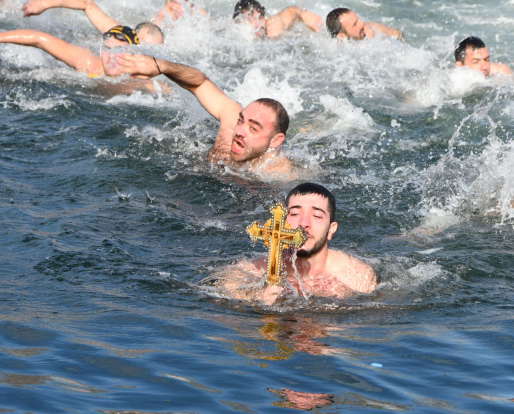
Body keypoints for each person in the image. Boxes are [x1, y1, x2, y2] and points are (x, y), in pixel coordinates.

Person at [117, 53, 292, 173]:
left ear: (275, 140)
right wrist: (161, 66)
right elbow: (200, 83)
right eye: (241, 120)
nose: (239, 131)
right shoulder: (231, 119)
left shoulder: (277, 173)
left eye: (254, 129)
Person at [215, 183, 378, 305]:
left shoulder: (356, 277)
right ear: (282, 222)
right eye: (294, 213)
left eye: (317, 216)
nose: (304, 223)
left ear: (331, 229)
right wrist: (257, 299)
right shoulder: (251, 271)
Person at [0, 25, 145, 78]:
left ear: (133, 54)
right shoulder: (88, 62)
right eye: (107, 49)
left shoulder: (140, 80)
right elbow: (40, 39)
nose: (112, 56)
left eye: (119, 50)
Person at [22, 0, 164, 44]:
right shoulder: (120, 38)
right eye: (140, 42)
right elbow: (87, 4)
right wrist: (44, 3)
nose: (143, 50)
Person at [233, 0, 323, 38]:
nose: (257, 25)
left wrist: (305, 14)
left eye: (260, 18)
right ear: (238, 23)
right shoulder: (232, 38)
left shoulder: (271, 26)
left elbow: (291, 12)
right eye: (250, 20)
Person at [325, 7, 402, 40]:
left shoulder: (371, 30)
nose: (362, 24)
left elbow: (399, 35)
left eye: (358, 20)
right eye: (355, 24)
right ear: (342, 36)